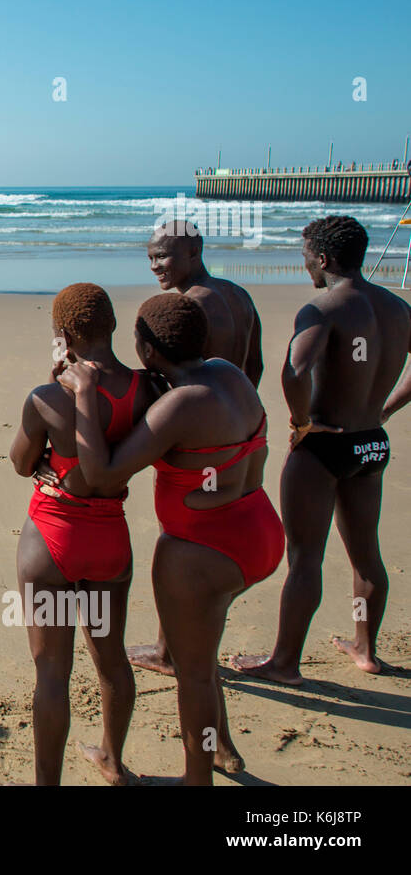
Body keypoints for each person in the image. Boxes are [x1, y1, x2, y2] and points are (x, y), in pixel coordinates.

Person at [59, 294, 283, 784]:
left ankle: (196, 778)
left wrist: (82, 393)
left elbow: (102, 472)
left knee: (193, 672)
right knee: (200, 647)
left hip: (204, 550)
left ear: (146, 347)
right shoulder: (228, 372)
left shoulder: (180, 404)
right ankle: (223, 749)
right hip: (260, 533)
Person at [233, 216, 411, 683]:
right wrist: (384, 410)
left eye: (306, 254)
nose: (304, 262)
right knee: (366, 555)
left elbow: (295, 371)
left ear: (323, 258)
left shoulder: (324, 308)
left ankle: (285, 663)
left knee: (306, 557)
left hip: (324, 447)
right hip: (371, 443)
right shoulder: (397, 308)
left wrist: (301, 422)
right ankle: (365, 649)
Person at [9, 283, 158, 785]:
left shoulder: (48, 396)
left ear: (63, 334)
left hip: (53, 541)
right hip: (110, 541)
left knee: (52, 671)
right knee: (111, 658)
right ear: (112, 327)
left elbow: (20, 463)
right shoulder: (148, 389)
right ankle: (113, 760)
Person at [131, 218, 265, 675]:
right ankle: (185, 645)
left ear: (194, 251)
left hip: (203, 442)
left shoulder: (188, 308)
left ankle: (171, 653)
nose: (155, 266)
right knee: (215, 543)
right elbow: (256, 365)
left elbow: (180, 374)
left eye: (163, 256)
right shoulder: (238, 295)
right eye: (150, 256)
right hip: (242, 432)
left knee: (187, 541)